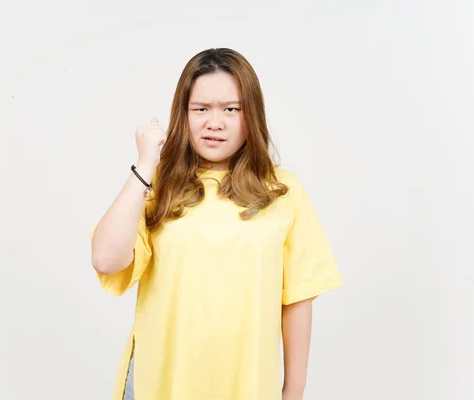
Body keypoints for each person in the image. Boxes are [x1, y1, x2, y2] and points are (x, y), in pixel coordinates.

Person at [89, 48, 343, 400]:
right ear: (183, 114)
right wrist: (146, 165)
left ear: (250, 114)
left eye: (231, 109)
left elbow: (298, 298)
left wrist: (293, 391)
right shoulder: (158, 185)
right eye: (201, 109)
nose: (215, 122)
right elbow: (106, 259)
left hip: (246, 385)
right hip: (159, 383)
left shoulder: (282, 191)